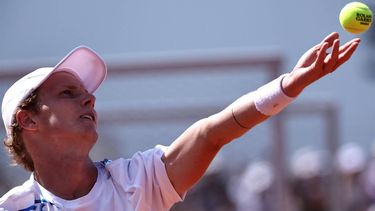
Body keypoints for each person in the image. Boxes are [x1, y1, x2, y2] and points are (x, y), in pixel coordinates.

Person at [0, 32, 360, 210]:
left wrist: (287, 85)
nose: (89, 98)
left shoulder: (135, 182)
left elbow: (210, 134)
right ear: (27, 120)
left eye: (85, 93)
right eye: (67, 93)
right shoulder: (12, 207)